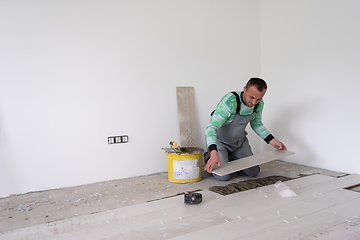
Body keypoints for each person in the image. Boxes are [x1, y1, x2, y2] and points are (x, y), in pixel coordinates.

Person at [204, 77, 287, 181]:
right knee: (223, 177)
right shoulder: (230, 102)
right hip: (220, 142)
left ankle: (231, 158)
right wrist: (213, 153)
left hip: (239, 142)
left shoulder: (258, 104)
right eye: (251, 97)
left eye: (258, 99)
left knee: (253, 173)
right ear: (245, 89)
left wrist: (272, 141)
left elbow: (256, 124)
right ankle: (208, 156)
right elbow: (211, 128)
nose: (254, 102)